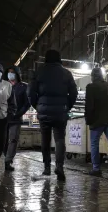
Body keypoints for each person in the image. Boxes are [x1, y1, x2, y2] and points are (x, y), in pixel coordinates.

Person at [27, 50, 78, 181]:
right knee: (60, 139)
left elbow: (30, 92)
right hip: (60, 111)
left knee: (45, 139)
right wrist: (67, 107)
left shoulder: (39, 72)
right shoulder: (66, 73)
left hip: (44, 112)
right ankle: (59, 167)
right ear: (59, 59)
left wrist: (37, 106)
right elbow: (74, 93)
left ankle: (47, 168)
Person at [2, 66, 30, 171]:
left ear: (17, 74)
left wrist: (19, 113)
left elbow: (27, 103)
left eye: (12, 72)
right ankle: (6, 156)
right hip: (4, 117)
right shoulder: (3, 85)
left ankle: (8, 161)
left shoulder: (23, 87)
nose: (10, 74)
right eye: (8, 72)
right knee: (4, 141)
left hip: (16, 118)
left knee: (13, 139)